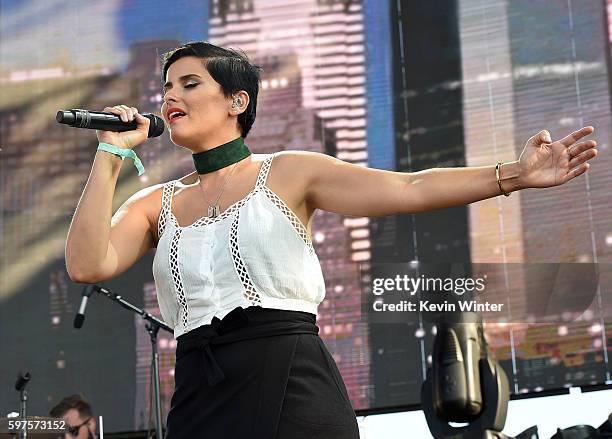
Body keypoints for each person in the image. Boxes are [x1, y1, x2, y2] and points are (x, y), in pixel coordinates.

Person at [64, 41, 598, 438]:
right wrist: (110, 155)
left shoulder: (290, 172)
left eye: (189, 83)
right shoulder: (155, 203)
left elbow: (410, 187)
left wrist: (514, 174)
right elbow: (88, 264)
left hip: (290, 375)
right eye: (167, 88)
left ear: (236, 101)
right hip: (201, 390)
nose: (171, 96)